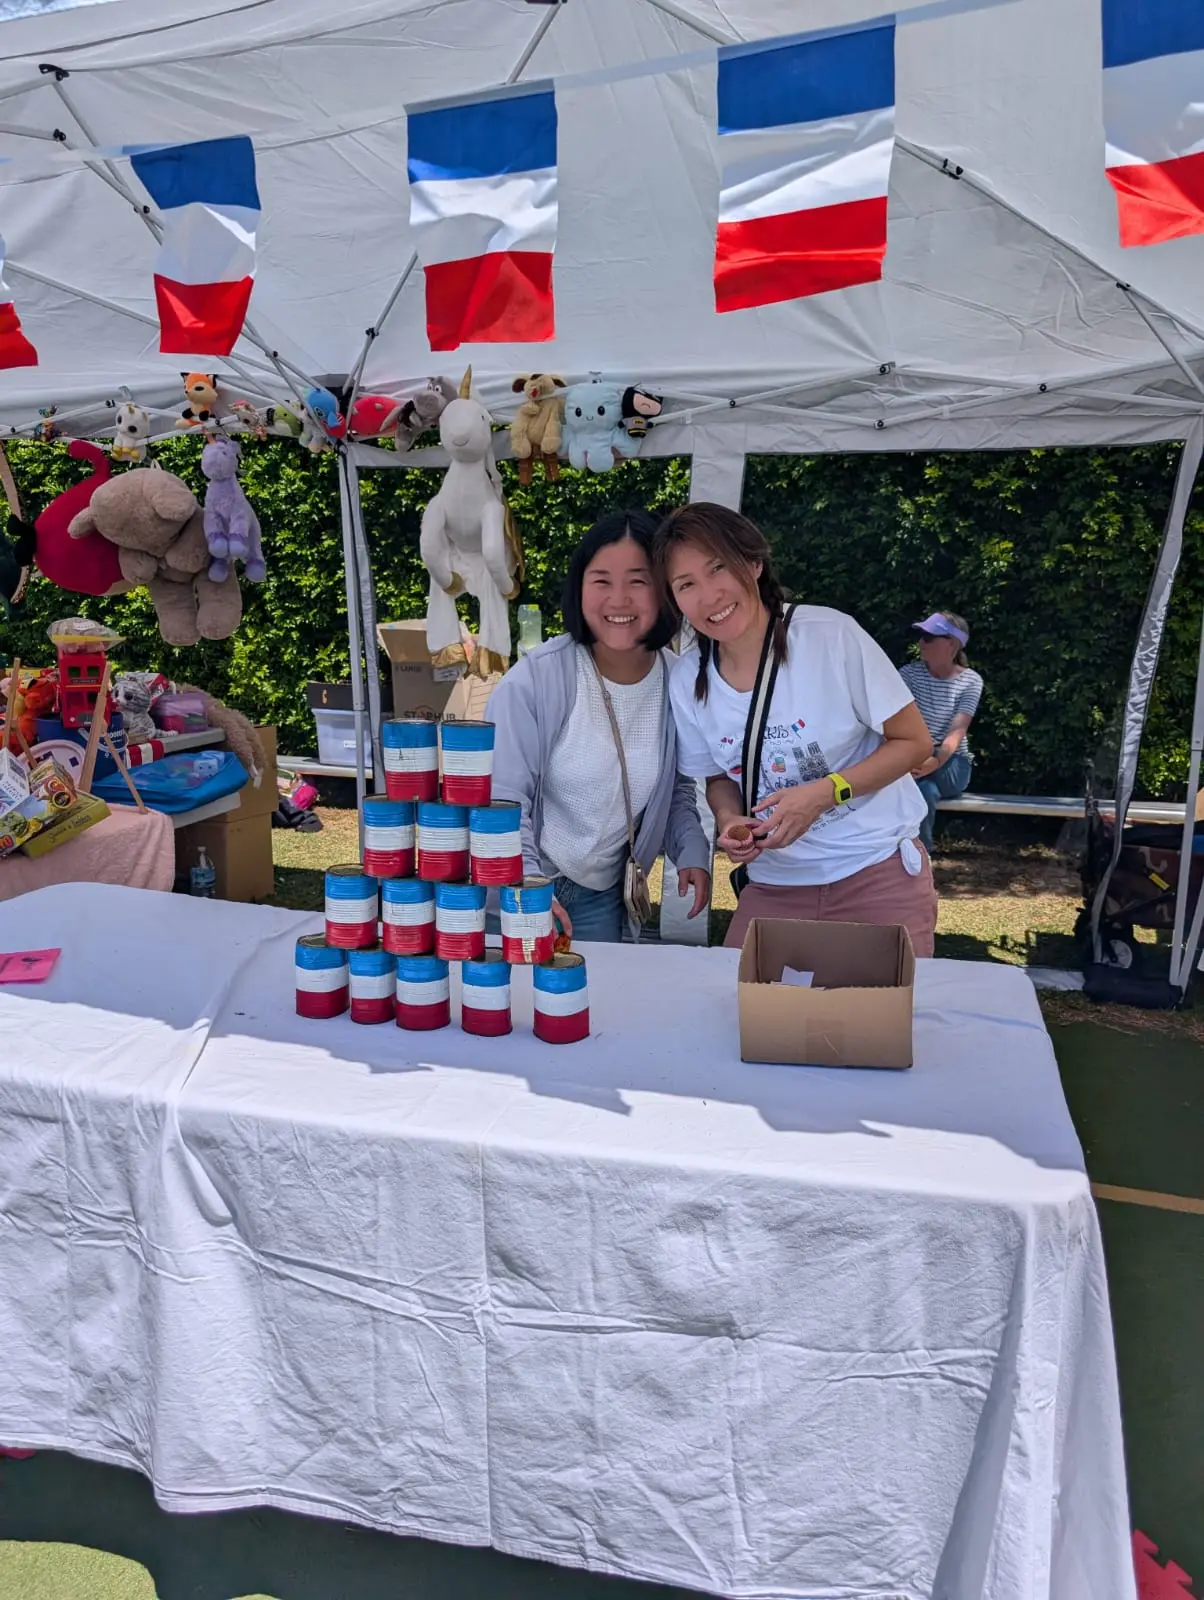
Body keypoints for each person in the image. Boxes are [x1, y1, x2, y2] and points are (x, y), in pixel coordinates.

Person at [654, 503, 938, 955]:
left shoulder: (830, 635)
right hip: (774, 884)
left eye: (718, 568)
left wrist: (826, 792)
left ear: (753, 562)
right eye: (686, 585)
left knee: (877, 1002)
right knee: (741, 1000)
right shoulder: (689, 678)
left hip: (875, 870)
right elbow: (716, 776)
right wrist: (730, 820)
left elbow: (914, 742)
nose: (709, 596)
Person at [488, 509, 712, 943]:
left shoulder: (679, 682)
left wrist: (692, 851)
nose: (619, 599)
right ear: (579, 587)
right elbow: (502, 798)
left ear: (666, 590)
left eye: (638, 581)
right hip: (518, 887)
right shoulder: (535, 680)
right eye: (602, 580)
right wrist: (527, 885)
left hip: (601, 897)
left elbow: (676, 791)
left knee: (594, 988)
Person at [899, 611, 983, 852]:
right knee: (925, 789)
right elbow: (898, 722)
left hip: (953, 763)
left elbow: (957, 732)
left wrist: (935, 760)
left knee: (910, 784)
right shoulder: (908, 674)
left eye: (928, 637)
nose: (921, 642)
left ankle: (913, 852)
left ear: (951, 644)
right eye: (921, 636)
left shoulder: (971, 681)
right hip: (916, 756)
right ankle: (921, 852)